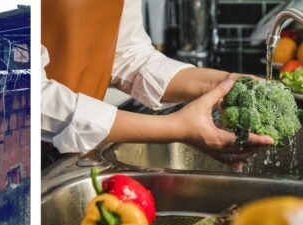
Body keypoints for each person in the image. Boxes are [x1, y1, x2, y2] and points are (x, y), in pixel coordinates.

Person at [41, 0, 274, 169]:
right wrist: (176, 127)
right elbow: (26, 96)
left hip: (70, 156)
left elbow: (128, 54)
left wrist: (220, 83)